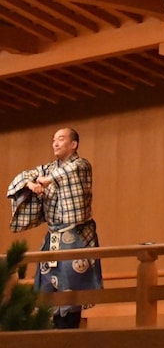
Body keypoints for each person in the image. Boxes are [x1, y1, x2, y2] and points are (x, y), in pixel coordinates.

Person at [6, 127, 103, 328]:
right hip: (54, 238)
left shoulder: (81, 165)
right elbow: (24, 176)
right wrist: (31, 185)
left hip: (75, 236)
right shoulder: (48, 169)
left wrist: (48, 180)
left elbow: (69, 172)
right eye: (53, 140)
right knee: (50, 292)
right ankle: (55, 328)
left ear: (73, 144)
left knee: (72, 292)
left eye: (60, 139)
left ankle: (69, 329)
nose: (55, 143)